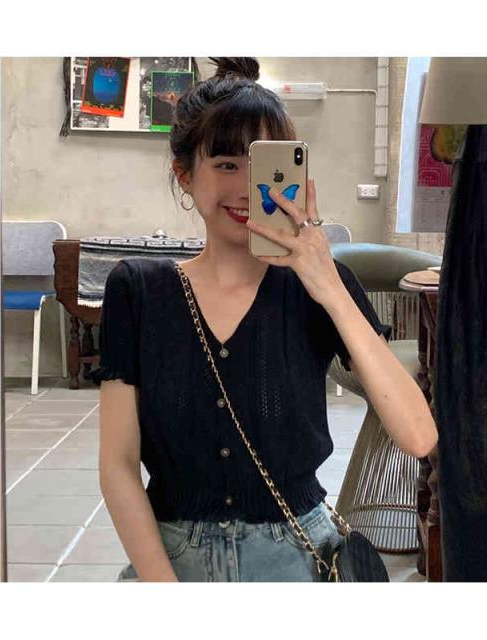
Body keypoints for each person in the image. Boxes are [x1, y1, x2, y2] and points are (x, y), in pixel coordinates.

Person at [91, 57, 438, 582]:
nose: (247, 188)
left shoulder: (320, 288)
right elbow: (117, 464)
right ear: (185, 175)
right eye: (227, 164)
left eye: (265, 166)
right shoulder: (137, 290)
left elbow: (418, 435)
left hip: (297, 555)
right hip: (171, 557)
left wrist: (328, 285)